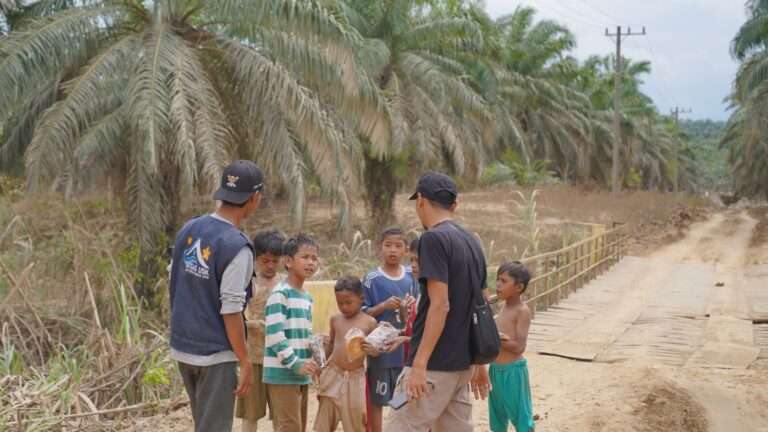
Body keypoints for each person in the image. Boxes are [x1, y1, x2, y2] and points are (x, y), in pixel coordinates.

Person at [384, 171, 492, 432]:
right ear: (453, 206)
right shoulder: (471, 242)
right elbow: (484, 304)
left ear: (420, 200)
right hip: (462, 367)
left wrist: (418, 366)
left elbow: (440, 304)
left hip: (433, 368)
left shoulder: (432, 239)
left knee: (401, 425)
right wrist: (479, 361)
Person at [168, 160, 264, 432]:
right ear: (255, 197)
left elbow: (175, 278)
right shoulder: (237, 246)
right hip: (216, 356)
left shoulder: (189, 228)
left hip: (184, 348)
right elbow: (231, 309)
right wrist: (245, 359)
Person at [263, 234, 321, 432]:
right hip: (283, 373)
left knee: (299, 427)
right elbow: (274, 335)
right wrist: (295, 363)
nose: (311, 263)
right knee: (290, 427)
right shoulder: (280, 293)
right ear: (288, 261)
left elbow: (304, 335)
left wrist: (317, 347)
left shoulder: (307, 298)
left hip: (302, 374)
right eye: (305, 257)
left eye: (314, 258)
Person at [362, 226, 417, 432]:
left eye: (398, 246)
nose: (393, 250)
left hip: (406, 349)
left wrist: (410, 306)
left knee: (403, 398)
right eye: (388, 245)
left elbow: (421, 307)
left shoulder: (412, 274)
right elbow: (362, 313)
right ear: (380, 248)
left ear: (406, 249)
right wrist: (383, 306)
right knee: (377, 400)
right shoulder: (371, 278)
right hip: (381, 350)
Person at [236, 229, 287, 432]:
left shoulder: (286, 282)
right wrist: (253, 324)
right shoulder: (249, 282)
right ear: (256, 258)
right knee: (250, 412)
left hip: (280, 355)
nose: (270, 266)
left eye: (275, 261)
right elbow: (235, 315)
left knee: (281, 412)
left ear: (283, 258)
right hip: (254, 355)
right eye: (265, 261)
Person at [313, 276, 379, 432]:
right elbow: (331, 344)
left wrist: (372, 349)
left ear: (361, 298)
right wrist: (320, 364)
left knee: (356, 424)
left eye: (348, 302)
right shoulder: (335, 320)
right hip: (333, 375)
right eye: (340, 303)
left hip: (356, 379)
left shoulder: (370, 323)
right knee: (324, 423)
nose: (344, 307)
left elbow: (376, 351)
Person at [489, 262, 535, 432]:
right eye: (497, 280)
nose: (498, 284)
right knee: (497, 419)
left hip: (513, 372)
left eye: (503, 281)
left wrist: (494, 337)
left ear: (519, 287)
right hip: (495, 371)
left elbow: (519, 347)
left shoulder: (522, 311)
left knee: (522, 419)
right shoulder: (501, 306)